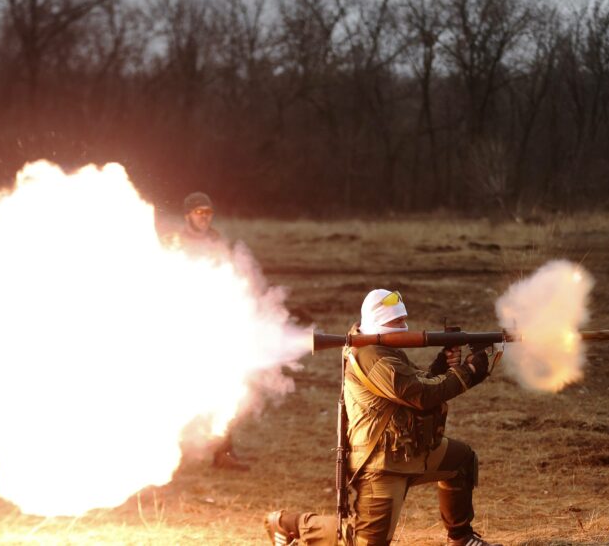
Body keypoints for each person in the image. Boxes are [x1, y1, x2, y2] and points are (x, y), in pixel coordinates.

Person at [264, 289, 499, 546]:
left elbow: (411, 385)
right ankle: (291, 524)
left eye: (403, 319)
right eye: (395, 322)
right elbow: (420, 395)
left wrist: (441, 365)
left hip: (408, 450)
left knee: (461, 460)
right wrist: (472, 370)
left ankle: (461, 538)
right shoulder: (371, 356)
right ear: (377, 322)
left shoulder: (382, 348)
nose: (404, 326)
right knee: (362, 541)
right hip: (382, 463)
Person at [170, 191, 247, 471]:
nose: (204, 218)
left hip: (215, 320)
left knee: (223, 385)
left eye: (209, 213)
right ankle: (169, 449)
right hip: (185, 323)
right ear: (188, 214)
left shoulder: (216, 240)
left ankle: (224, 453)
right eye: (199, 212)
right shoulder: (176, 242)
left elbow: (230, 271)